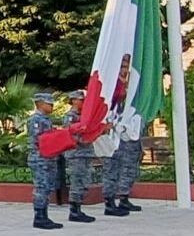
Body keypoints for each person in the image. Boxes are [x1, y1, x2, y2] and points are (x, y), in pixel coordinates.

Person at [102, 55, 139, 216]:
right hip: (112, 133)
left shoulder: (130, 83)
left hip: (127, 132)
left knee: (127, 166)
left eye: (127, 66)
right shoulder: (112, 85)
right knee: (111, 168)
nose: (125, 70)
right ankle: (109, 202)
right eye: (123, 66)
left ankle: (123, 197)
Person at [27, 92, 62, 230]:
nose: (52, 106)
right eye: (49, 103)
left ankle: (44, 215)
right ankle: (39, 217)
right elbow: (39, 139)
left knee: (47, 187)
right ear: (40, 104)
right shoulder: (35, 120)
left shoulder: (46, 120)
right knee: (41, 187)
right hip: (40, 158)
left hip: (48, 158)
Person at [62, 90, 97, 223]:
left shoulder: (85, 116)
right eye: (82, 100)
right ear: (74, 101)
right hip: (76, 154)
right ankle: (74, 211)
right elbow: (71, 134)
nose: (84, 103)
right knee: (77, 182)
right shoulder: (70, 117)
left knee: (85, 182)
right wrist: (87, 139)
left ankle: (79, 208)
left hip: (85, 153)